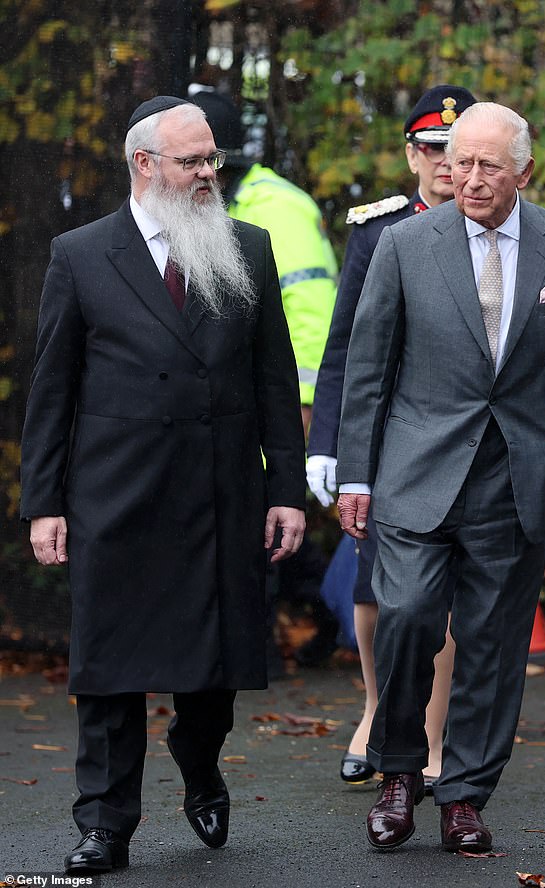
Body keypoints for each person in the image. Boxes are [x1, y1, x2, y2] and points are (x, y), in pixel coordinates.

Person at [20, 96, 306, 874]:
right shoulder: (81, 253)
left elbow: (275, 379)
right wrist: (42, 502)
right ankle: (105, 825)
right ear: (145, 164)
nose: (210, 173)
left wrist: (286, 487)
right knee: (108, 669)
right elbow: (54, 391)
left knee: (211, 670)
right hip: (116, 493)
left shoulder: (247, 246)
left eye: (212, 158)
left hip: (220, 492)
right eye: (193, 161)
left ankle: (198, 754)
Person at [336, 102, 545, 853]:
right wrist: (354, 477)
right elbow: (367, 368)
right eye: (461, 162)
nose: (472, 178)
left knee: (493, 643)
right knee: (408, 620)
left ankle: (464, 795)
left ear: (525, 171)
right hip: (415, 472)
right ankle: (398, 774)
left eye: (490, 165)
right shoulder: (403, 243)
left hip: (516, 475)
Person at [306, 85, 477, 786]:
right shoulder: (377, 231)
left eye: (458, 151)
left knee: (442, 591)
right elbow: (345, 344)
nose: (445, 163)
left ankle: (431, 732)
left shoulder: (496, 224)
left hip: (459, 433)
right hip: (386, 436)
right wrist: (327, 442)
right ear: (411, 154)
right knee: (375, 586)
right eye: (433, 149)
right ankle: (378, 710)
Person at [192, 89, 340, 666]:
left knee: (268, 518)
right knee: (261, 518)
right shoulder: (240, 203)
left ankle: (291, 633)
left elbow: (309, 308)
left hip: (282, 398)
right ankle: (310, 624)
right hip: (249, 397)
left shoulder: (273, 207)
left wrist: (304, 403)